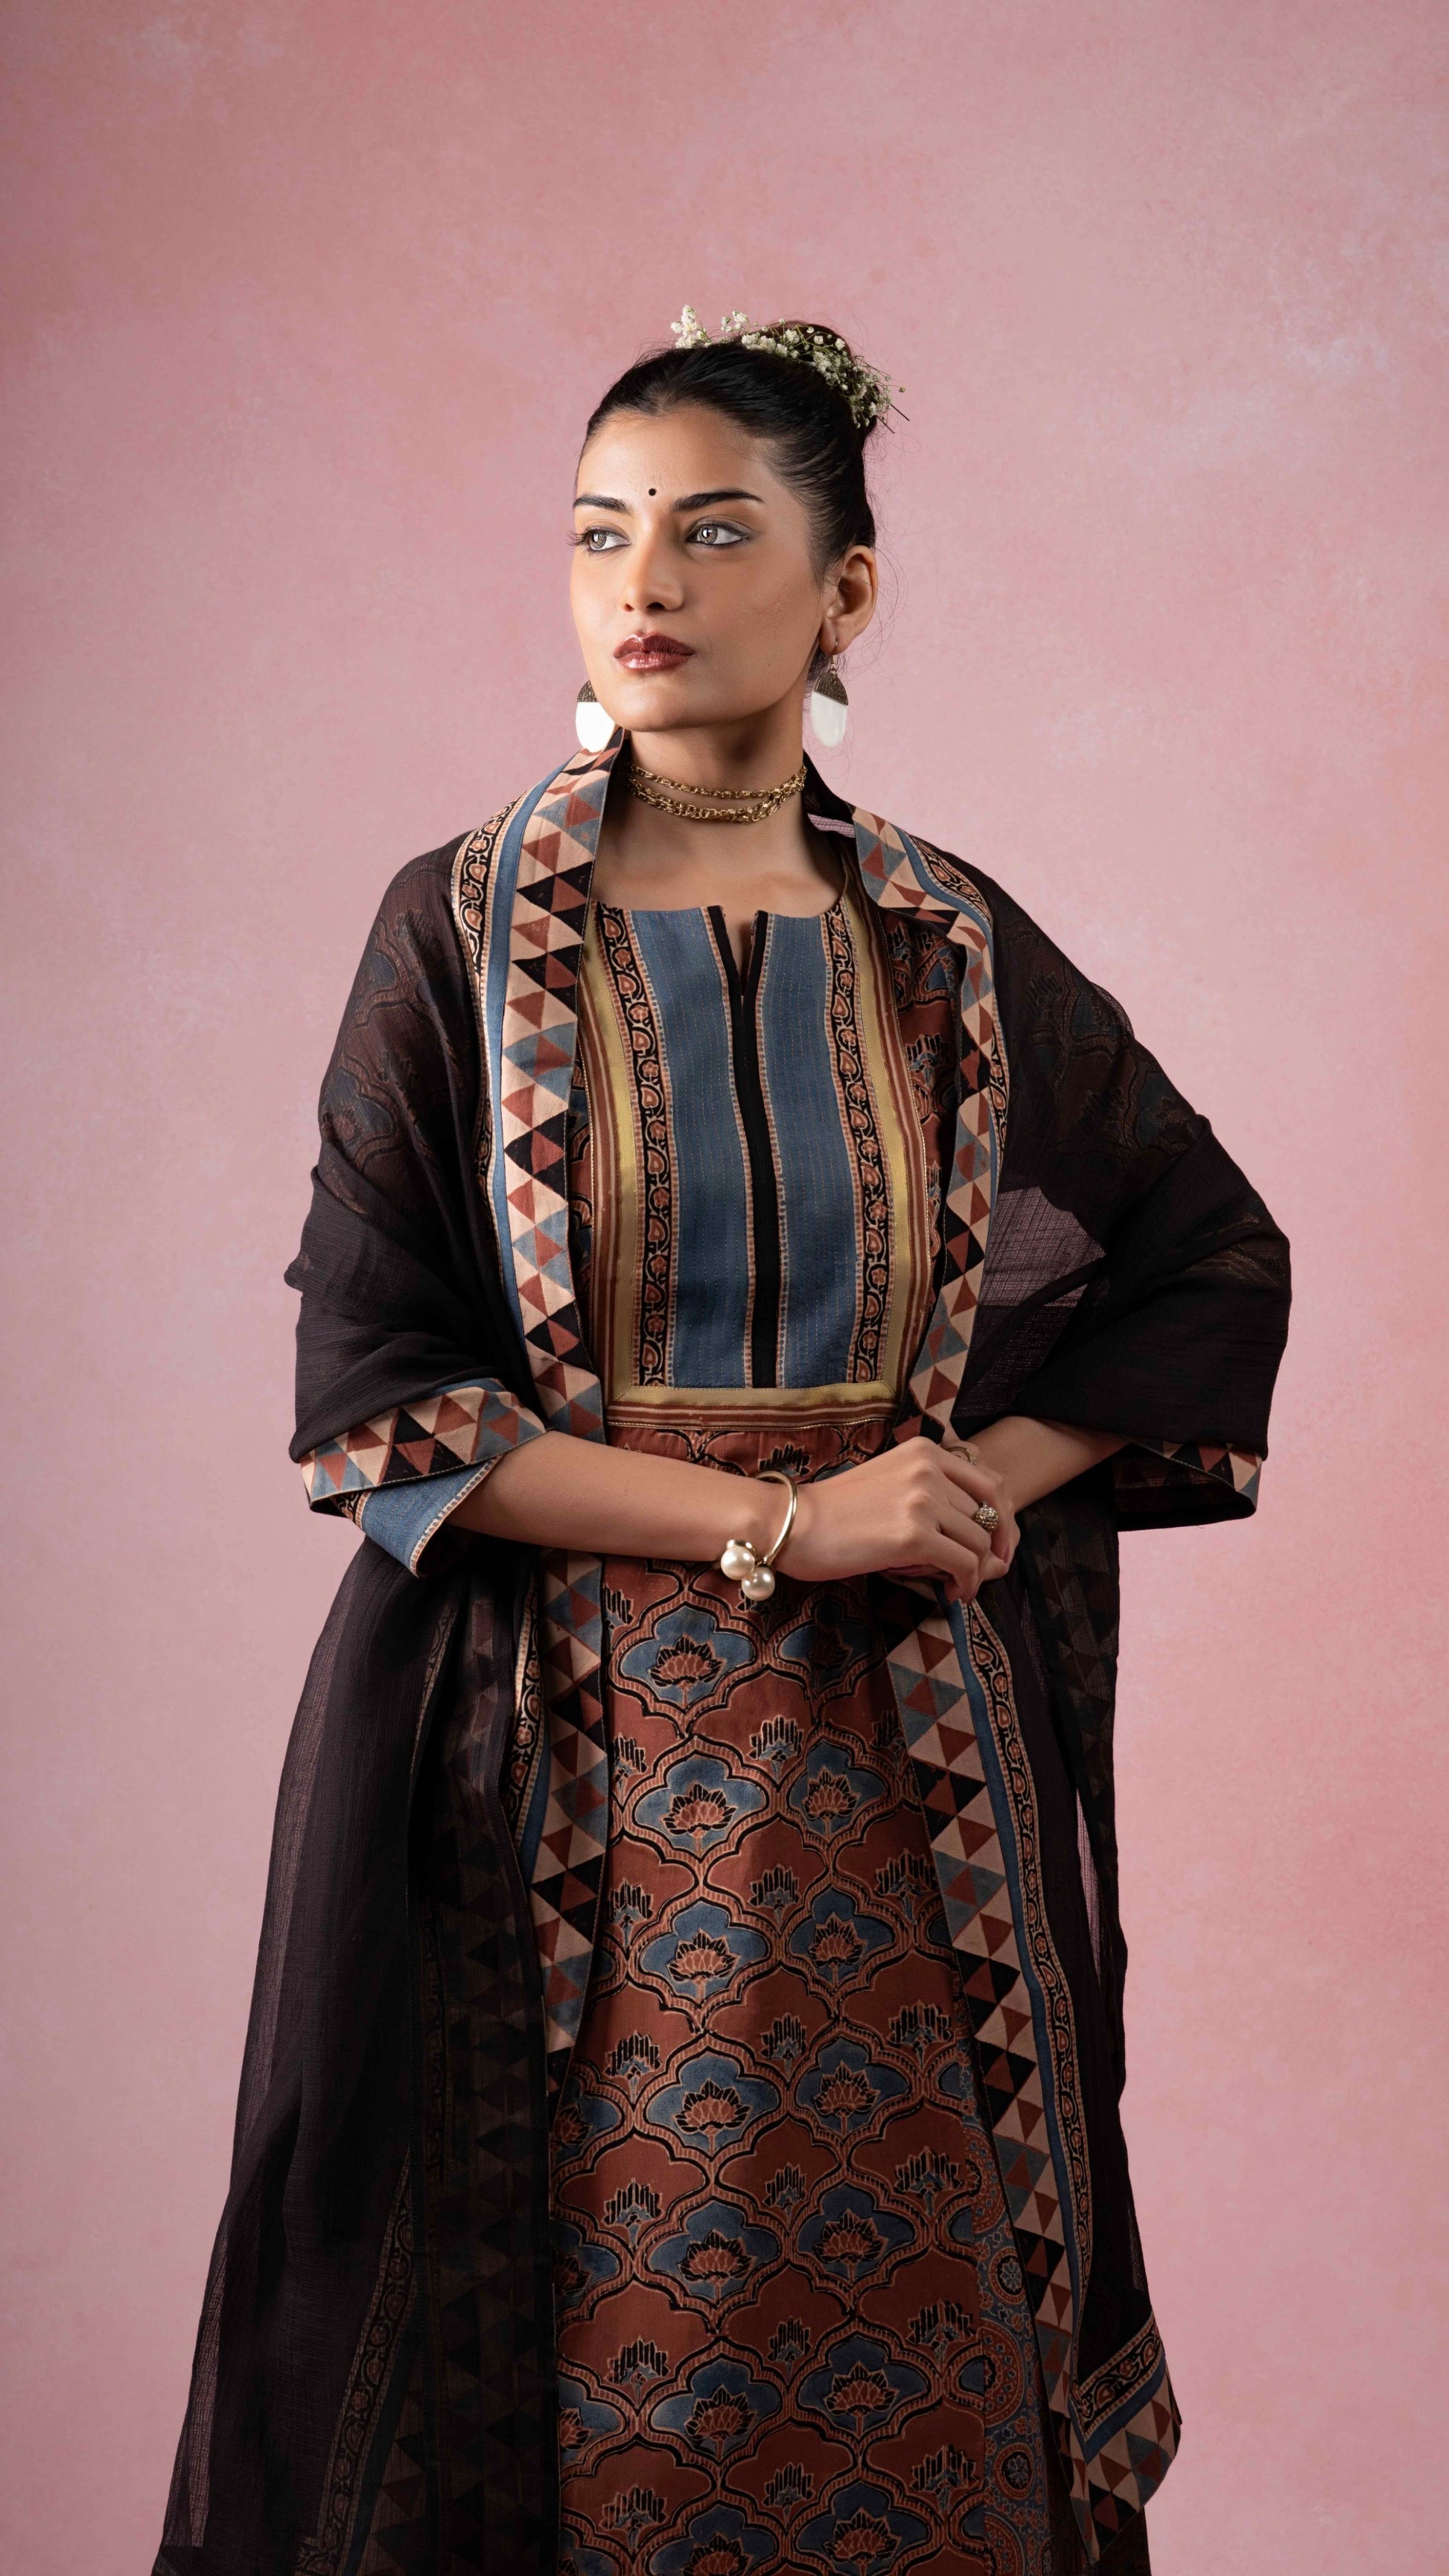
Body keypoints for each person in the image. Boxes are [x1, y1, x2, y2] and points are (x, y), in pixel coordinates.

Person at [155, 310, 1290, 2576]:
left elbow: (1203, 1261)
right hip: (566, 1782)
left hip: (919, 1782)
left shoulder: (945, 941)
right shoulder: (461, 935)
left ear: (845, 588)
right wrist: (788, 1520)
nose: (642, 584)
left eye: (707, 531)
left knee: (941, 2364)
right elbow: (383, 1411)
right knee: (620, 2377)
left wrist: (955, 1496)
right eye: (597, 535)